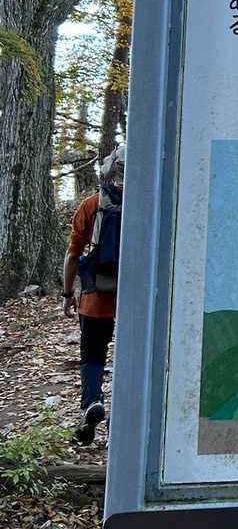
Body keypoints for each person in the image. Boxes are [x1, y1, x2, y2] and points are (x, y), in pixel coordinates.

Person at [63, 144, 124, 445]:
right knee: (130, 356)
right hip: (136, 302)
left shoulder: (91, 205)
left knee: (93, 354)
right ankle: (121, 419)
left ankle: (91, 403)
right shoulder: (150, 203)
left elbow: (73, 255)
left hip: (95, 296)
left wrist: (67, 293)